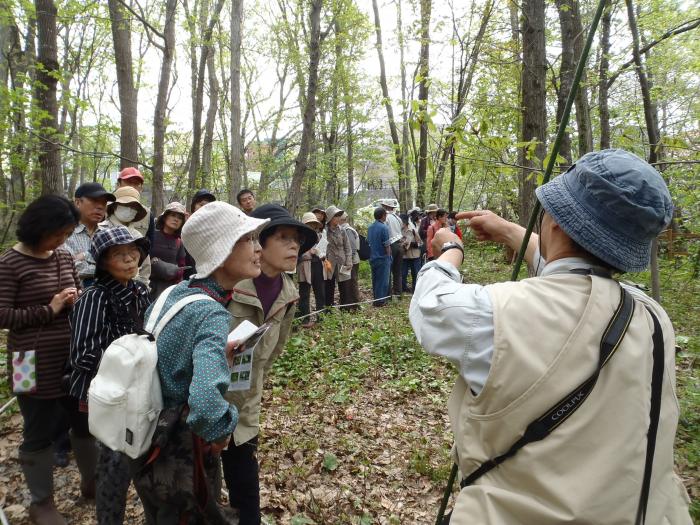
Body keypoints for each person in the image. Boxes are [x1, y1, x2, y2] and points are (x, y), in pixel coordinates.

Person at [409, 149, 692, 524]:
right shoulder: (653, 316)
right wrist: (510, 231)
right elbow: (574, 279)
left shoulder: (500, 314)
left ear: (555, 225)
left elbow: (431, 304)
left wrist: (450, 249)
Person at [131, 201, 270, 523]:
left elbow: (168, 354)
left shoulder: (175, 294)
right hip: (179, 452)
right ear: (220, 251)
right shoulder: (210, 313)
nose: (258, 248)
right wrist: (223, 429)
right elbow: (206, 405)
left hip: (146, 436)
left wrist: (216, 355)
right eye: (248, 239)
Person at [0, 195, 94, 525]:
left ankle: (90, 480)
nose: (62, 241)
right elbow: (2, 314)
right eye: (58, 233)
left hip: (69, 356)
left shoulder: (63, 256)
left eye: (67, 234)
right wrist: (49, 309)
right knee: (37, 427)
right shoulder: (10, 263)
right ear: (39, 228)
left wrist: (74, 300)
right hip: (26, 359)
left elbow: (77, 288)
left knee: (81, 419)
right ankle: (41, 502)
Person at [222, 204, 316, 525]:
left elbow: (274, 350)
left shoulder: (288, 292)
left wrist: (250, 386)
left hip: (245, 404)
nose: (294, 246)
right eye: (285, 237)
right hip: (204, 402)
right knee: (198, 488)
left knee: (245, 487)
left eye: (298, 240)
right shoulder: (229, 282)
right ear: (258, 242)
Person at [68, 227, 151, 525]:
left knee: (136, 452)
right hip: (105, 392)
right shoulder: (94, 297)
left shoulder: (140, 290)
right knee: (114, 462)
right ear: (103, 262)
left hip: (137, 391)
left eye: (134, 252)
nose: (130, 260)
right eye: (119, 254)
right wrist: (126, 363)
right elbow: (83, 354)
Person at [63, 182, 115, 287]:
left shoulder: (108, 233)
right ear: (77, 203)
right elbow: (70, 267)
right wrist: (109, 268)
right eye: (94, 201)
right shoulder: (64, 233)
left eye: (104, 203)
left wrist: (86, 255)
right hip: (75, 298)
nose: (100, 206)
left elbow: (119, 261)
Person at [102, 186, 152, 288]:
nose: (130, 210)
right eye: (126, 205)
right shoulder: (100, 231)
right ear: (115, 206)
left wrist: (140, 289)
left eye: (134, 207)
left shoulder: (137, 235)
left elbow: (145, 268)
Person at [149, 202, 187, 300]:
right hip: (148, 285)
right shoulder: (151, 236)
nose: (176, 219)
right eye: (173, 215)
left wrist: (168, 270)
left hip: (168, 290)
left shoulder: (179, 243)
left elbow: (182, 267)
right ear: (165, 217)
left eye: (179, 218)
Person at [296, 212, 326, 327]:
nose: (312, 226)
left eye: (313, 223)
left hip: (318, 265)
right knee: (304, 293)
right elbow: (296, 253)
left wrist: (320, 253)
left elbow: (323, 250)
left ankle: (321, 317)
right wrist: (308, 253)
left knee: (320, 292)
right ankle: (304, 318)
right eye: (309, 223)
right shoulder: (299, 237)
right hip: (304, 266)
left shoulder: (318, 235)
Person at [115, 167, 154, 244]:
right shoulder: (105, 209)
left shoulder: (147, 214)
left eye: (136, 184)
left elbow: (150, 243)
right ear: (118, 185)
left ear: (141, 188)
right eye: (129, 182)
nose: (132, 186)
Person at [323, 205, 352, 308]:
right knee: (328, 287)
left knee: (345, 287)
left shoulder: (342, 230)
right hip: (328, 263)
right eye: (336, 216)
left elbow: (347, 247)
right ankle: (328, 309)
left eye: (340, 215)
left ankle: (346, 309)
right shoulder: (324, 231)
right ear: (330, 217)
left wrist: (349, 261)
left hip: (342, 262)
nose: (339, 218)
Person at [185, 189, 217, 278]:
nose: (205, 208)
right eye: (201, 204)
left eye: (209, 205)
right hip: (188, 278)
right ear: (194, 207)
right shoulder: (184, 227)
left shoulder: (217, 228)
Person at [367, 207, 391, 307]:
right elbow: (387, 245)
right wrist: (389, 256)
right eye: (385, 214)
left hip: (372, 257)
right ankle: (381, 301)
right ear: (382, 215)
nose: (386, 216)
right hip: (382, 257)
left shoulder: (370, 227)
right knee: (383, 280)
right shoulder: (384, 227)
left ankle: (376, 299)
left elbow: (367, 241)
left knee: (375, 279)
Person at [380, 199, 404, 297]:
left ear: (386, 207)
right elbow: (401, 228)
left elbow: (384, 231)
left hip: (391, 245)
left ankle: (388, 294)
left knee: (388, 270)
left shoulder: (386, 218)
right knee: (397, 271)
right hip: (399, 245)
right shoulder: (397, 218)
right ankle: (398, 293)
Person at [339, 212, 361, 309]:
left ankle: (355, 304)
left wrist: (349, 261)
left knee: (352, 282)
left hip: (352, 261)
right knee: (348, 283)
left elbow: (352, 248)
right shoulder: (344, 229)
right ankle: (350, 304)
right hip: (349, 260)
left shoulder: (347, 230)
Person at [401, 213, 421, 292]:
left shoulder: (413, 230)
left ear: (405, 222)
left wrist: (412, 244)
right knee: (403, 273)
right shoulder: (399, 231)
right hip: (404, 256)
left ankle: (415, 288)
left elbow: (420, 243)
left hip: (414, 256)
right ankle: (404, 288)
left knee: (415, 273)